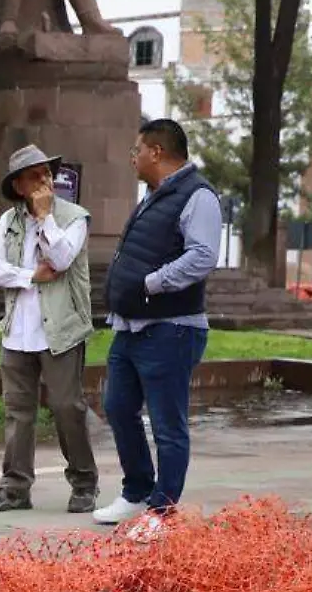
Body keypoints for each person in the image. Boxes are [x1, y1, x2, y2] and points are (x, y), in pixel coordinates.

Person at [91, 118, 219, 540]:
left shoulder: (197, 196)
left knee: (167, 423)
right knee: (117, 406)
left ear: (157, 152)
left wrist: (151, 283)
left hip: (171, 329)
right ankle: (136, 492)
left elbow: (202, 256)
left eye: (137, 150)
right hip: (130, 328)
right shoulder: (154, 196)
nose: (133, 157)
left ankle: (162, 511)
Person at [0, 144, 97, 515]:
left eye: (47, 172)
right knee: (17, 411)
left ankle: (83, 483)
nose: (45, 179)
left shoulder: (74, 217)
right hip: (17, 331)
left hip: (60, 331)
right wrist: (29, 276)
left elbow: (61, 259)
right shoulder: (8, 221)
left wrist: (46, 219)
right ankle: (14, 487)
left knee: (67, 407)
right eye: (35, 175)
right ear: (18, 186)